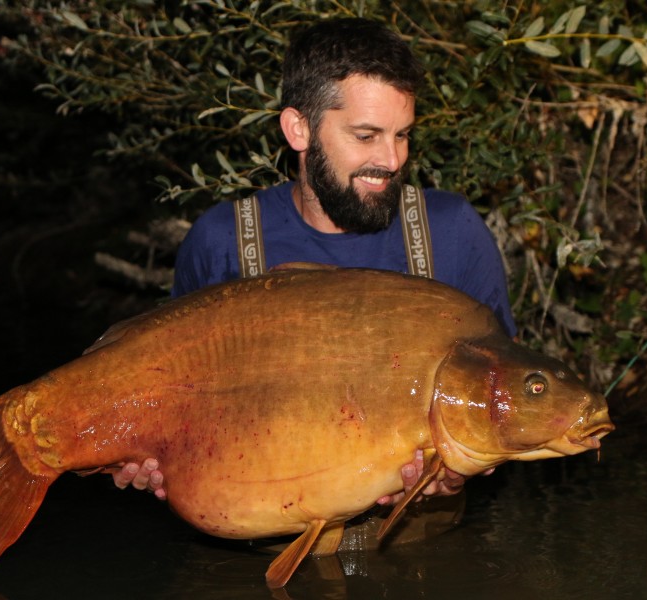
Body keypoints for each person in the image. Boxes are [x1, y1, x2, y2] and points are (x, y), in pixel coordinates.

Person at [110, 17, 515, 529]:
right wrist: (147, 456)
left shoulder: (452, 235)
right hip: (252, 556)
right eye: (366, 135)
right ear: (298, 129)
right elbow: (169, 400)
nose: (391, 160)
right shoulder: (222, 241)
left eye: (403, 135)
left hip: (418, 552)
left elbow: (502, 402)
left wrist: (461, 471)